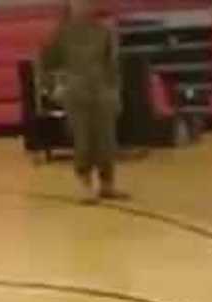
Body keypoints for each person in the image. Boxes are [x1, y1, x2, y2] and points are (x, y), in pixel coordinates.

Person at [41, 0, 128, 203]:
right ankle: (85, 185)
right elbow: (45, 63)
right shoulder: (61, 34)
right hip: (76, 93)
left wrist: (115, 92)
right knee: (83, 141)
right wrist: (52, 88)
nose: (83, 6)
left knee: (107, 141)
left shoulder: (104, 32)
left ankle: (107, 184)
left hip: (102, 92)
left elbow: (112, 65)